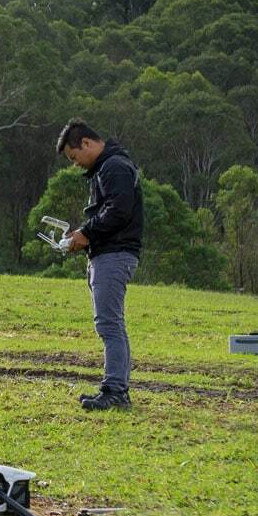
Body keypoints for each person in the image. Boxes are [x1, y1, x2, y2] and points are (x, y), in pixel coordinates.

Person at [55, 118, 144, 411]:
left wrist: (86, 233)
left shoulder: (114, 167)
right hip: (108, 252)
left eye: (74, 157)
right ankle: (118, 389)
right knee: (112, 324)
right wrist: (83, 237)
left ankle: (115, 391)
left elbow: (119, 210)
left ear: (87, 143)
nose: (75, 163)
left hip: (115, 255)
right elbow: (110, 211)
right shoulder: (107, 167)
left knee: (109, 324)